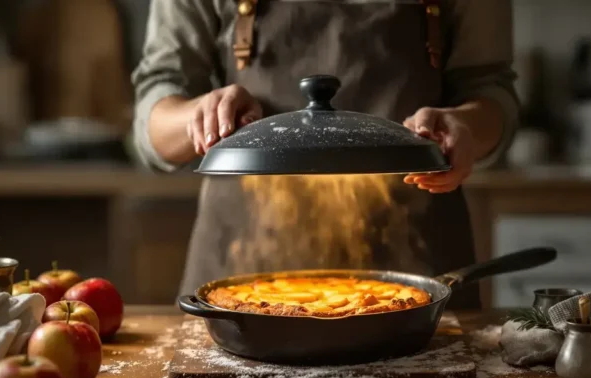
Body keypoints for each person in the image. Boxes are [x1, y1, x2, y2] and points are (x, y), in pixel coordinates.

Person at [132, 0, 518, 309]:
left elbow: (489, 90)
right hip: (242, 266)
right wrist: (200, 116)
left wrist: (466, 127)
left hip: (417, 271)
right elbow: (155, 114)